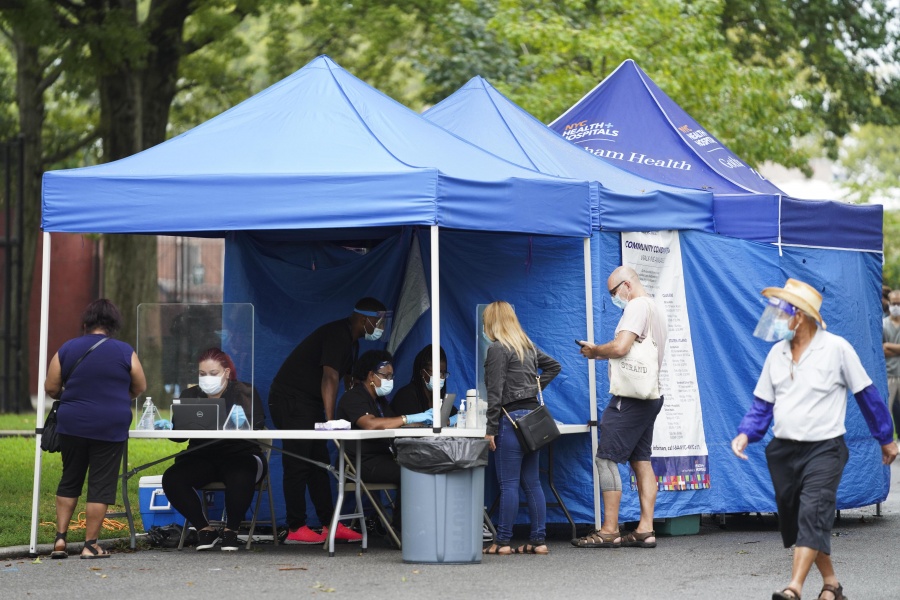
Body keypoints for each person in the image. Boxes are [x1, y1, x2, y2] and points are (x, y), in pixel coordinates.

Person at [731, 278, 898, 600]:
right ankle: (831, 584)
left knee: (813, 513)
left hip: (825, 448)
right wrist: (744, 434)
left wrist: (885, 438)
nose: (775, 319)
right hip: (784, 451)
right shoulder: (777, 355)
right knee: (800, 522)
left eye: (780, 313)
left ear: (800, 316)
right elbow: (762, 405)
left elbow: (867, 395)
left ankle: (793, 588)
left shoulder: (836, 348)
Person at [268, 297, 387, 544]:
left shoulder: (352, 343)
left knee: (319, 464)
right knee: (298, 462)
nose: (380, 326)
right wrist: (331, 420)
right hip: (290, 400)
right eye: (378, 321)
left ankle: (328, 524)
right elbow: (329, 377)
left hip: (308, 404)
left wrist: (349, 409)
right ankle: (295, 527)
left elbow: (346, 378)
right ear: (365, 319)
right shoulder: (337, 335)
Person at [572, 265, 668, 550]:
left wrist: (595, 352)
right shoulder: (655, 307)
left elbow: (621, 347)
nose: (614, 298)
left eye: (614, 292)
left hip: (630, 398)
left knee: (606, 459)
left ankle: (609, 530)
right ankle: (645, 529)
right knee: (641, 461)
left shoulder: (637, 306)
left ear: (627, 285)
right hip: (651, 395)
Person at [44, 299, 147, 559]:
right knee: (100, 485)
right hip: (110, 425)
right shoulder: (125, 351)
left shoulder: (67, 348)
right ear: (112, 326)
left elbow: (51, 388)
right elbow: (140, 387)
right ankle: (90, 546)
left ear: (85, 324)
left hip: (73, 423)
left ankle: (60, 540)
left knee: (70, 478)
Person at [161, 348, 266, 551]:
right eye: (202, 374)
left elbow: (258, 425)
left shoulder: (244, 392)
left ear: (226, 373)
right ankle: (204, 530)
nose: (207, 378)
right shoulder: (190, 395)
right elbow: (178, 437)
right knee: (173, 478)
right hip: (203, 457)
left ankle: (231, 531)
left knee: (240, 474)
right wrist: (172, 426)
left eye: (213, 373)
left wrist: (238, 422)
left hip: (240, 454)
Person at [481, 301, 561, 556]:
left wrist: (490, 428)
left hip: (510, 420)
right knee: (532, 482)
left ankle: (502, 541)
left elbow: (494, 394)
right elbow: (554, 366)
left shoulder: (497, 349)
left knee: (508, 484)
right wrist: (534, 388)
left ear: (492, 322)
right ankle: (539, 541)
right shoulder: (526, 345)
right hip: (532, 419)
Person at [336, 349, 433, 530]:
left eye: (392, 376)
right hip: (359, 462)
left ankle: (419, 528)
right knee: (411, 472)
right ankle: (402, 532)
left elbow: (392, 423)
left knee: (423, 465)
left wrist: (421, 423)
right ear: (371, 375)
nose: (390, 380)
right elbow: (371, 424)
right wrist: (406, 418)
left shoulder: (380, 401)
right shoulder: (354, 397)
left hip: (381, 458)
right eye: (386, 376)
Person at [391, 344, 456, 425]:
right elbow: (412, 429)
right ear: (423, 373)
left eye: (443, 373)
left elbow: (457, 417)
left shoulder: (439, 397)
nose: (441, 377)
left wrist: (453, 420)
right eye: (437, 373)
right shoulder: (406, 396)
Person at [882, 289, 900, 439]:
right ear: (889, 303)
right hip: (888, 375)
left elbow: (886, 347)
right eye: (894, 304)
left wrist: (889, 346)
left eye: (899, 304)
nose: (896, 307)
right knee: (886, 412)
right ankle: (888, 443)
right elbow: (881, 349)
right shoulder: (883, 324)